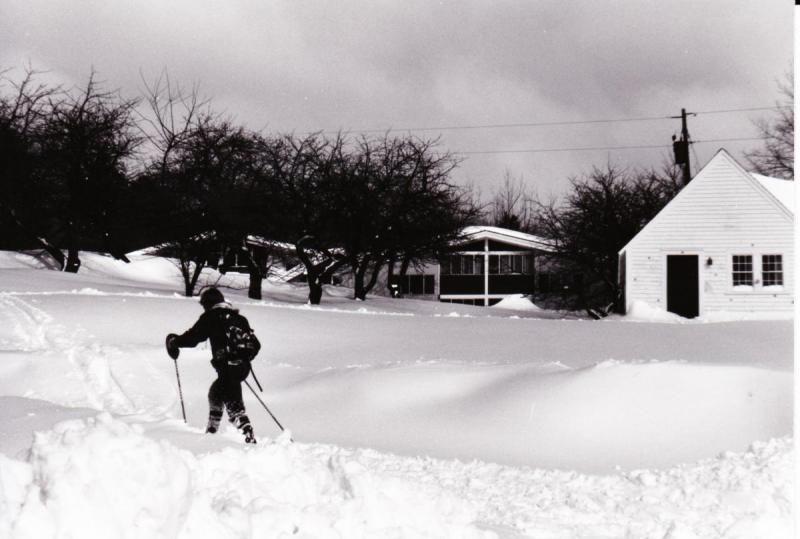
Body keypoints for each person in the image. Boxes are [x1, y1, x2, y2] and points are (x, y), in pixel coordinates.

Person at [166, 287, 259, 444]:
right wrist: (240, 358)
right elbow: (256, 345)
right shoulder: (239, 318)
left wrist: (175, 342)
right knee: (215, 393)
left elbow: (193, 337)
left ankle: (247, 434)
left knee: (233, 405)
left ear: (208, 304)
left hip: (226, 367)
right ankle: (212, 431)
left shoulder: (211, 317)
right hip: (242, 368)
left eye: (204, 305)